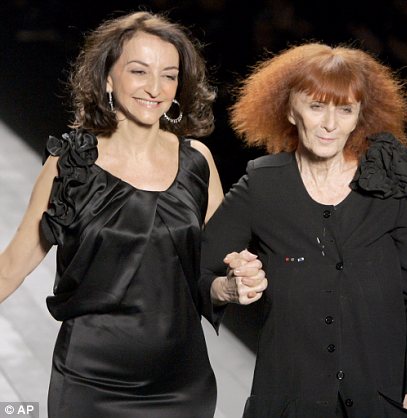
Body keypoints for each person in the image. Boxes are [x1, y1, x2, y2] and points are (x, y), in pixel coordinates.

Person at [0, 11, 266, 418]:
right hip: (90, 382)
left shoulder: (197, 161)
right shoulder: (71, 165)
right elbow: (12, 267)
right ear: (108, 78)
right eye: (139, 71)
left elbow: (214, 268)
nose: (155, 88)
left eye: (169, 75)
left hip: (182, 383)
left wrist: (234, 284)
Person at [200, 42, 407, 418]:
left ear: (360, 114)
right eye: (316, 106)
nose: (331, 124)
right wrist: (226, 288)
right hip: (287, 403)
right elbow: (198, 271)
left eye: (345, 110)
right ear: (290, 109)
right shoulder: (263, 186)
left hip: (383, 403)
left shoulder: (390, 183)